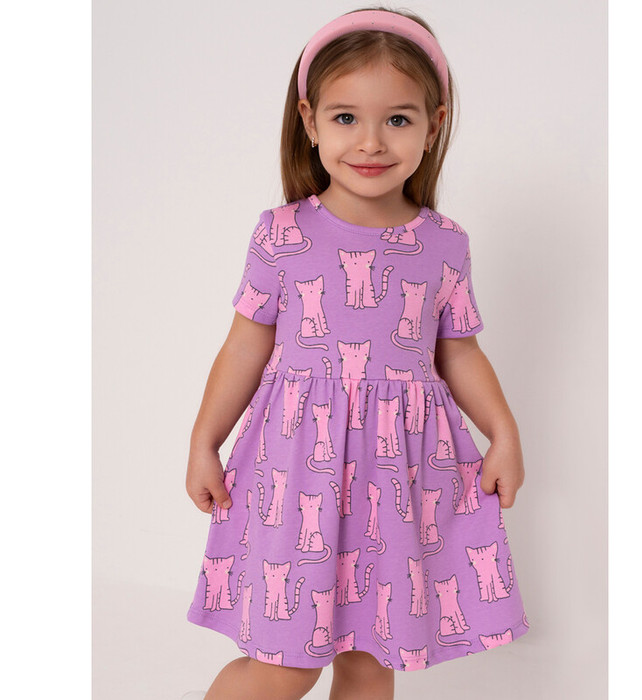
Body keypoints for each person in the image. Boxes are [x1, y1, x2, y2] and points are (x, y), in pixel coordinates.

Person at [184, 6, 530, 700]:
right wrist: (204, 441)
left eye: (397, 119)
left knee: (372, 659)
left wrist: (504, 432)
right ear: (310, 122)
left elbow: (459, 353)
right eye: (346, 117)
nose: (371, 141)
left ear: (433, 125)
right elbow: (244, 345)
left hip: (401, 478)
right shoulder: (282, 235)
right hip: (297, 474)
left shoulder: (444, 244)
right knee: (285, 663)